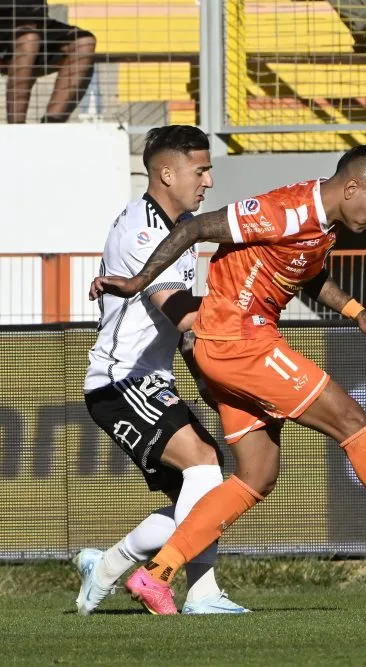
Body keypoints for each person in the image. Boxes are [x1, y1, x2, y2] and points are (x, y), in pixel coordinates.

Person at [90, 145, 366, 615]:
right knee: (352, 422)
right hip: (238, 341)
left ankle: (157, 574)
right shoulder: (283, 210)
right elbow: (195, 227)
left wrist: (357, 314)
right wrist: (136, 282)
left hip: (231, 347)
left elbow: (308, 276)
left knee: (257, 475)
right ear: (352, 186)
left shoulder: (321, 227)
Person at [77, 126, 247, 615]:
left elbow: (187, 330)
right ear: (166, 173)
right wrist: (252, 304)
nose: (209, 181)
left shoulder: (182, 222)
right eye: (201, 170)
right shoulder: (144, 232)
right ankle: (199, 593)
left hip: (152, 378)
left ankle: (106, 566)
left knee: (202, 494)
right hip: (120, 379)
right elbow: (184, 315)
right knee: (204, 466)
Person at [0, 0, 96, 123]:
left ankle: (51, 124)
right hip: (6, 26)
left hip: (37, 24)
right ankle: (16, 128)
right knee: (29, 39)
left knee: (84, 43)